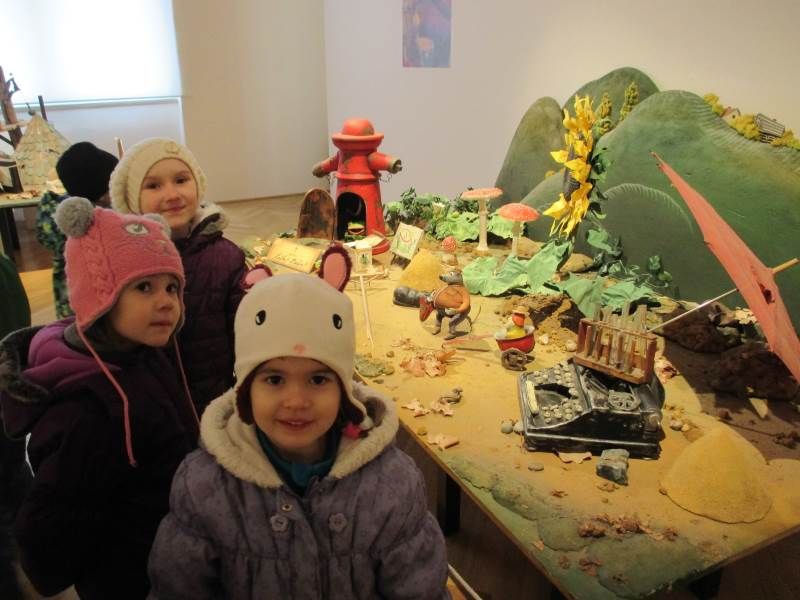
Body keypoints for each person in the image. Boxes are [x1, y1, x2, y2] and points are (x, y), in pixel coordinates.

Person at [148, 246, 450, 599]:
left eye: (318, 379)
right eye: (274, 379)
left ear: (344, 390)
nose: (296, 401)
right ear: (245, 389)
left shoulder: (393, 486)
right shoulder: (204, 488)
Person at [0, 198, 199, 600]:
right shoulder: (86, 412)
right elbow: (50, 522)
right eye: (144, 287)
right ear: (100, 297)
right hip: (128, 571)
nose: (166, 301)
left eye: (172, 287)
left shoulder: (141, 351)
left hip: (166, 545)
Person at [109, 138, 246, 414]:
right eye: (153, 185)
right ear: (132, 199)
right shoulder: (120, 262)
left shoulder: (226, 257)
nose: (172, 194)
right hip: (149, 404)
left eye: (181, 180)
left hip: (214, 398)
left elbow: (243, 333)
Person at [37, 141, 119, 318]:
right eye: (114, 183)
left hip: (67, 298)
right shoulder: (94, 222)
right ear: (101, 193)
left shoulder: (57, 212)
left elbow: (44, 238)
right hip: (91, 301)